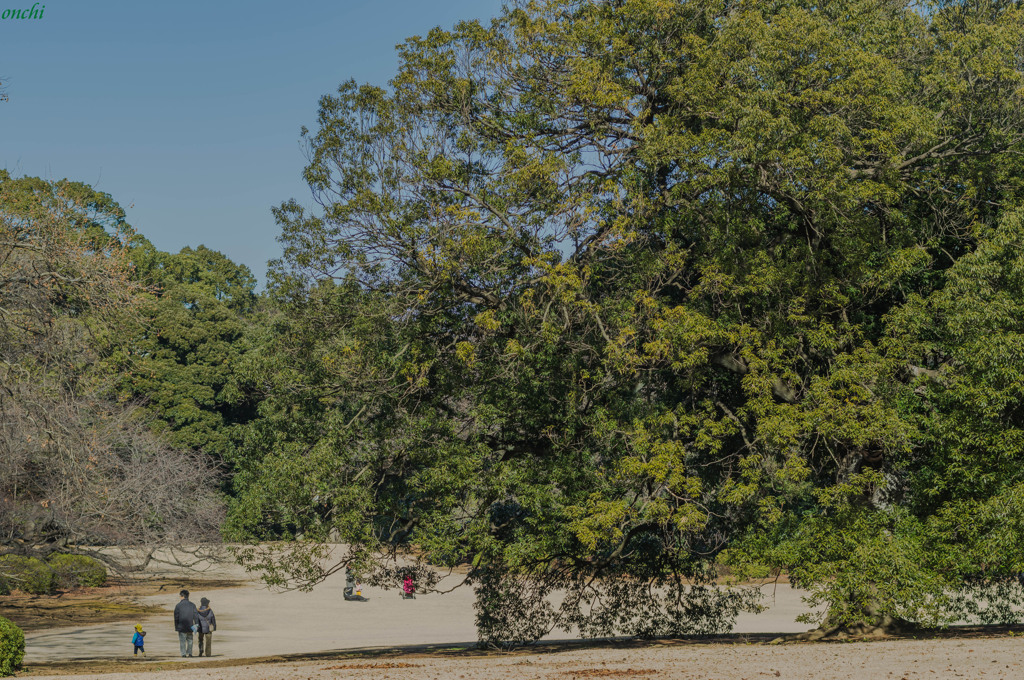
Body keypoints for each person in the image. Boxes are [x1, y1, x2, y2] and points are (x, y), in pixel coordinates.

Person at [173, 588, 199, 657]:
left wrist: (176, 627)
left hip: (181, 626)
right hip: (190, 626)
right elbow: (196, 616)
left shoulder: (178, 605)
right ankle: (190, 653)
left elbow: (176, 617)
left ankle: (183, 654)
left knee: (182, 641)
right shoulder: (192, 605)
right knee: (190, 640)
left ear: (182, 596)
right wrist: (196, 625)